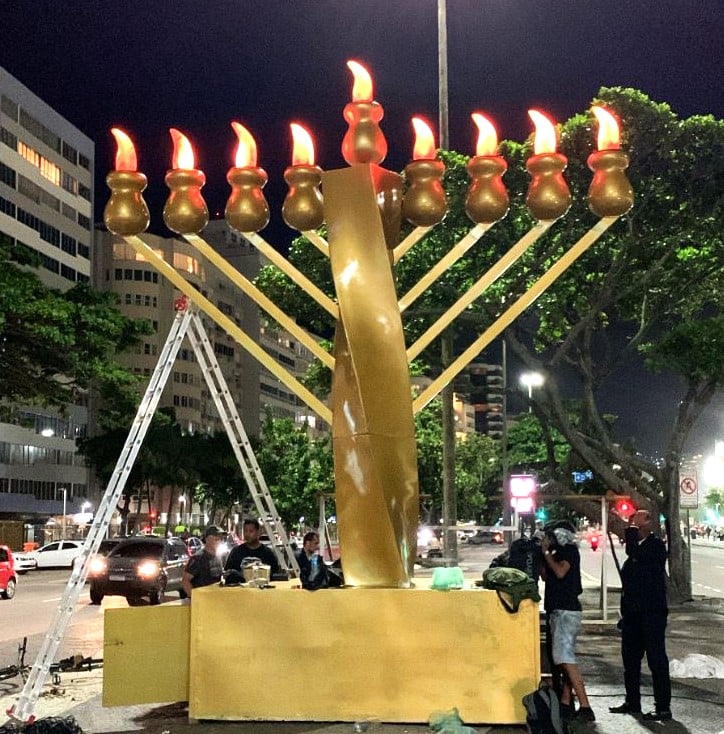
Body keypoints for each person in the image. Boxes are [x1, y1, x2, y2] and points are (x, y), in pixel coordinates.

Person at [609, 509, 672, 721]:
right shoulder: (636, 548)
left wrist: (632, 532)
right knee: (630, 659)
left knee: (656, 659)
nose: (633, 521)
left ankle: (662, 706)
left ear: (649, 523)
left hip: (651, 613)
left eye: (639, 518)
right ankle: (632, 701)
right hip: (633, 615)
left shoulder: (655, 546)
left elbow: (634, 554)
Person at [540, 521, 595, 723]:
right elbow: (547, 576)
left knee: (564, 658)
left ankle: (585, 705)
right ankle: (565, 700)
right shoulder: (556, 551)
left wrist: (546, 553)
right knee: (562, 658)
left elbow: (560, 572)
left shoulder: (569, 550)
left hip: (566, 611)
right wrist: (542, 555)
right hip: (557, 610)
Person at [181, 524, 225, 597]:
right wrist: (195, 598)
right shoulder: (199, 558)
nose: (220, 541)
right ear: (207, 539)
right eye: (216, 539)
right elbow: (185, 581)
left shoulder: (218, 556)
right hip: (203, 599)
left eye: (221, 539)